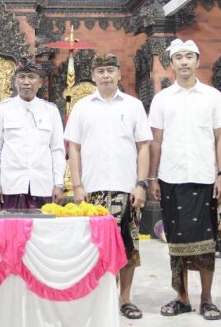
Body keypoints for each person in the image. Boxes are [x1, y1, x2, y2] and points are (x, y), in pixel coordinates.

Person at [64, 53, 152, 320]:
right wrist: (77, 186)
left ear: (118, 74)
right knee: (95, 247)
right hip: (93, 190)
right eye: (100, 71)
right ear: (93, 75)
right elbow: (74, 149)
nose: (105, 75)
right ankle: (99, 298)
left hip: (127, 188)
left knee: (128, 245)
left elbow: (143, 146)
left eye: (110, 70)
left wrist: (141, 183)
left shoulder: (134, 105)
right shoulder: (82, 107)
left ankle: (124, 298)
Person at [148, 39, 221, 321]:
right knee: (176, 242)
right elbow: (155, 142)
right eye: (178, 57)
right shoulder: (161, 99)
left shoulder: (212, 96)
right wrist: (152, 176)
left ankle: (207, 299)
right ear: (171, 64)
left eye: (189, 57)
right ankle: (181, 297)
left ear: (197, 61)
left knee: (206, 241)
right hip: (171, 178)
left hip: (205, 177)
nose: (183, 62)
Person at [0, 58, 65, 209]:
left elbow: (57, 150)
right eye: (21, 77)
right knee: (11, 232)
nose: (26, 82)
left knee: (43, 231)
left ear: (40, 82)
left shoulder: (50, 111)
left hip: (43, 186)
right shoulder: (3, 109)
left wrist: (59, 184)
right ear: (15, 82)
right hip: (11, 186)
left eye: (31, 77)